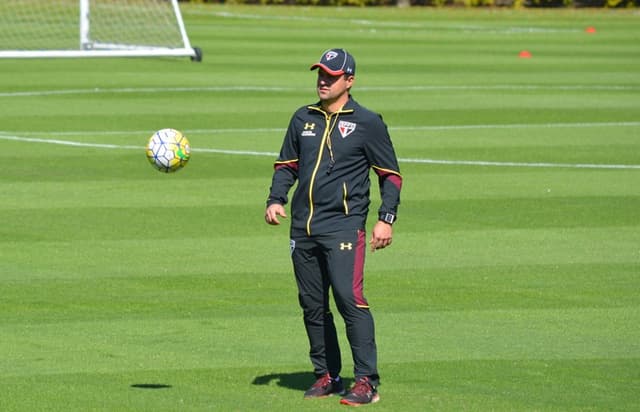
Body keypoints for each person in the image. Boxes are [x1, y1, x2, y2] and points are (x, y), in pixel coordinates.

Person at [264, 48, 402, 407]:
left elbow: (391, 176)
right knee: (312, 304)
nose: (323, 80)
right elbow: (286, 166)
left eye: (332, 75)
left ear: (349, 81)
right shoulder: (302, 118)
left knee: (349, 300)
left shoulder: (368, 122)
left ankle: (366, 382)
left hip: (343, 228)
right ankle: (326, 375)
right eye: (320, 74)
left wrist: (385, 220)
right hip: (302, 228)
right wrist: (275, 199)